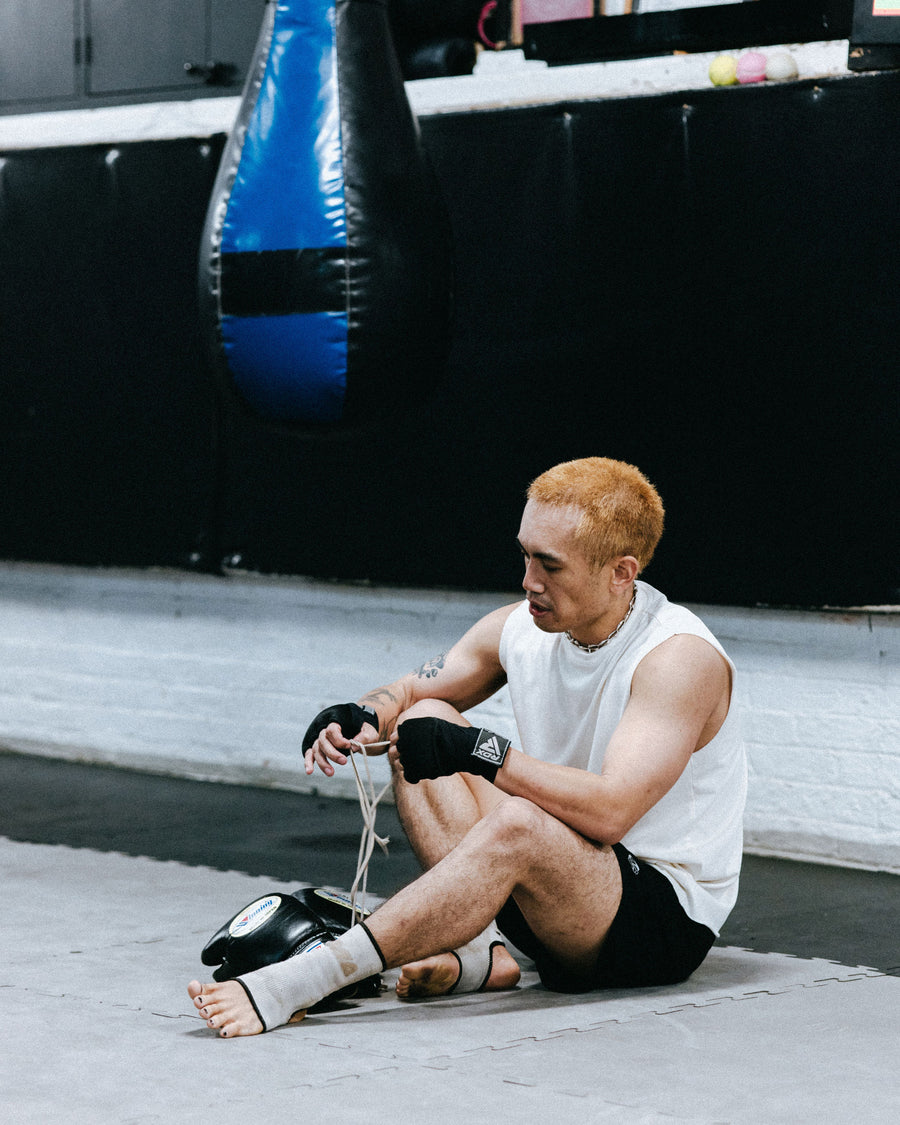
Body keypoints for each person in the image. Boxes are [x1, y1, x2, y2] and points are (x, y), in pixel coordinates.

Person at [188, 456, 746, 1037]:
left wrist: (481, 750)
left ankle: (305, 979)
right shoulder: (525, 626)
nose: (529, 580)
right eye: (526, 554)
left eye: (550, 565)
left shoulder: (678, 659)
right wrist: (364, 714)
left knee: (520, 824)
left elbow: (610, 812)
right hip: (560, 894)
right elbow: (413, 688)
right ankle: (485, 952)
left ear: (620, 572)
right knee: (422, 719)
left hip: (655, 925)